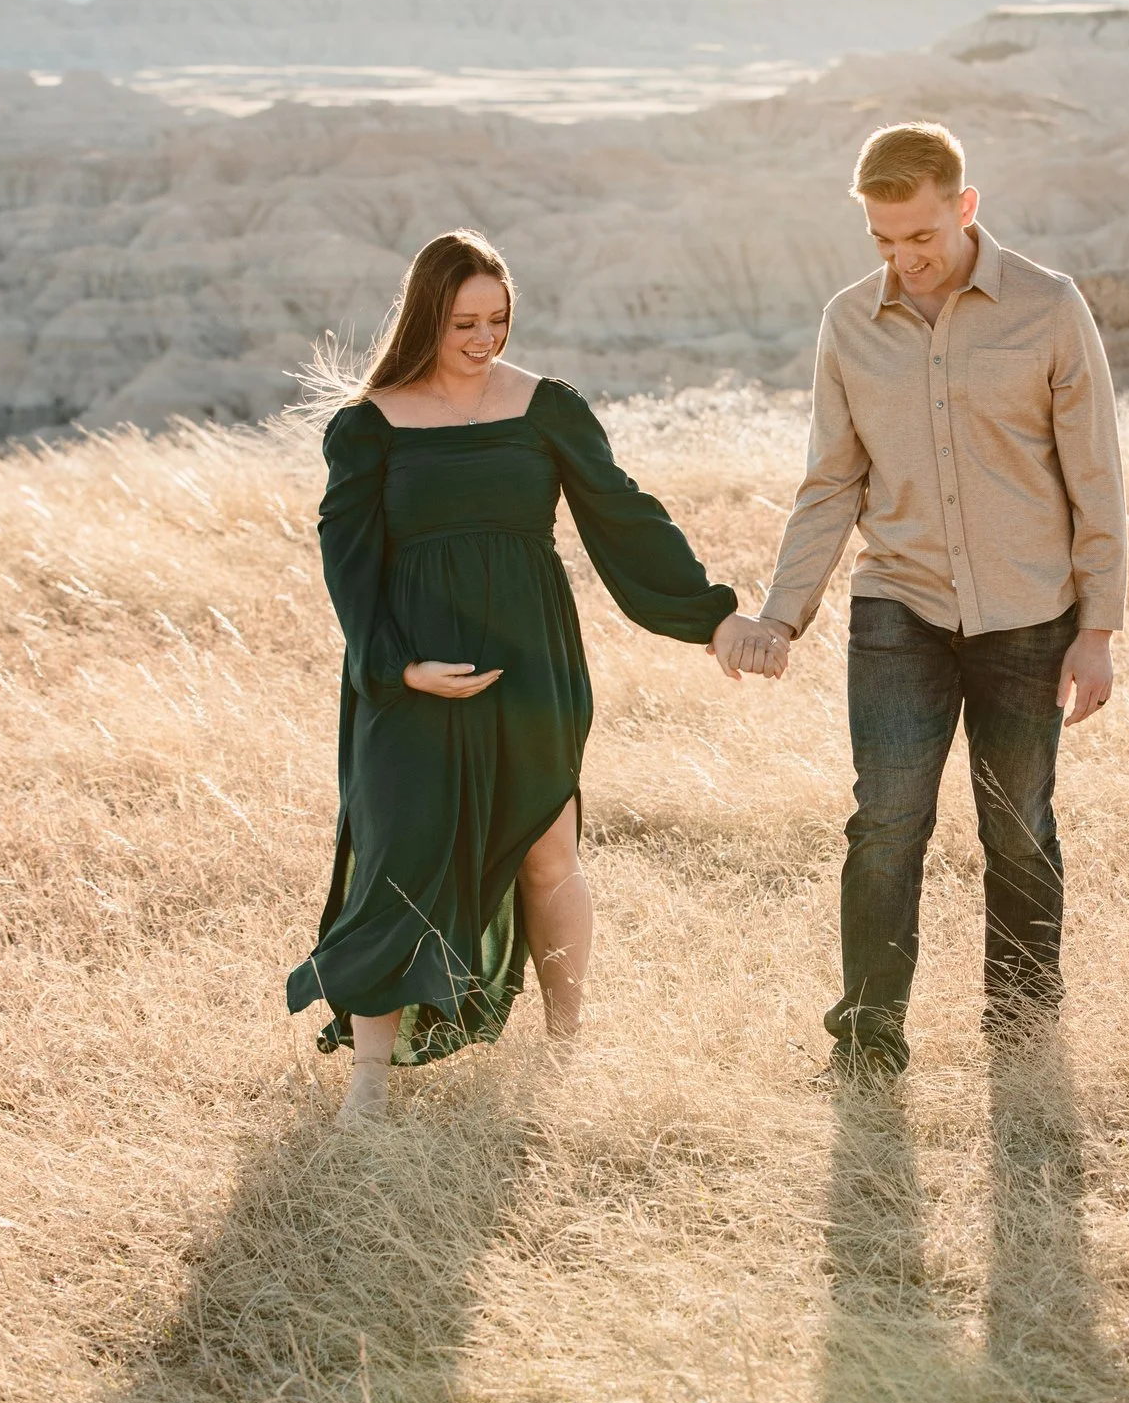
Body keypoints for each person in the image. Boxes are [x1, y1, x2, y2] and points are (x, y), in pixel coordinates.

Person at [286, 230, 770, 1123]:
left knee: (551, 857)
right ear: (425, 315)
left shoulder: (547, 408)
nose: (482, 339)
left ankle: (565, 1051)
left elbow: (622, 516)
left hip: (534, 666)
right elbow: (346, 563)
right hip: (409, 681)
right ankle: (368, 1081)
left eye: (498, 320)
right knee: (395, 858)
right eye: (463, 321)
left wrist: (712, 615)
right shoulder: (367, 427)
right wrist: (397, 668)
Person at [737, 122, 1128, 1078]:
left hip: (1031, 615)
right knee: (885, 822)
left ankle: (1023, 1032)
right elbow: (830, 481)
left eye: (921, 237)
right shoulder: (849, 323)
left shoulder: (1049, 306)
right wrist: (781, 614)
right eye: (883, 241)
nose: (904, 259)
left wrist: (1099, 629)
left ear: (965, 206)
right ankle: (869, 1040)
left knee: (1018, 822)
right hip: (898, 606)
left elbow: (1095, 476)